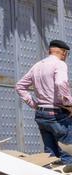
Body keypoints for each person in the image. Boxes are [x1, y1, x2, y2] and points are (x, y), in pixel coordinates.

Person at [15, 38, 72, 166]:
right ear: (63, 52)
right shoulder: (60, 64)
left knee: (50, 155)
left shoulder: (37, 65)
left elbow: (19, 86)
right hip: (57, 114)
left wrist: (34, 104)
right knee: (67, 153)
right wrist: (69, 104)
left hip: (41, 115)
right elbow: (60, 82)